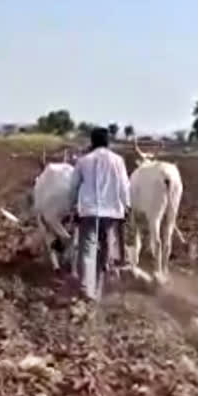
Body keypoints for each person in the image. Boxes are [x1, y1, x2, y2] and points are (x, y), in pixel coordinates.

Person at [69, 127, 130, 301]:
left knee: (87, 249)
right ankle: (100, 282)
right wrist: (127, 206)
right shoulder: (118, 161)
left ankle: (87, 289)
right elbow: (124, 186)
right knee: (105, 246)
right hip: (111, 212)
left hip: (89, 211)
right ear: (107, 142)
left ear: (92, 142)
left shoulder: (83, 161)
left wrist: (71, 206)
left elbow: (73, 186)